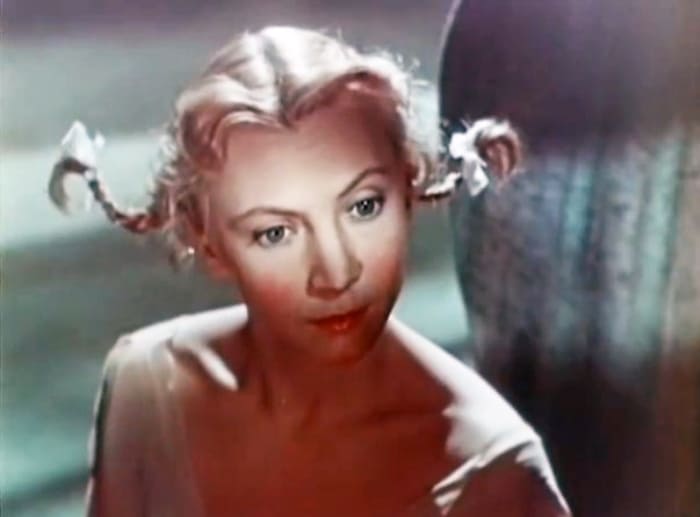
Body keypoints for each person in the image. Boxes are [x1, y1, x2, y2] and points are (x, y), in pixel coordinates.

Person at [51, 26, 570, 516]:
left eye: (363, 207)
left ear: (409, 187)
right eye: (275, 233)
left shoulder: (495, 477)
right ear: (208, 244)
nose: (336, 273)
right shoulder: (147, 386)